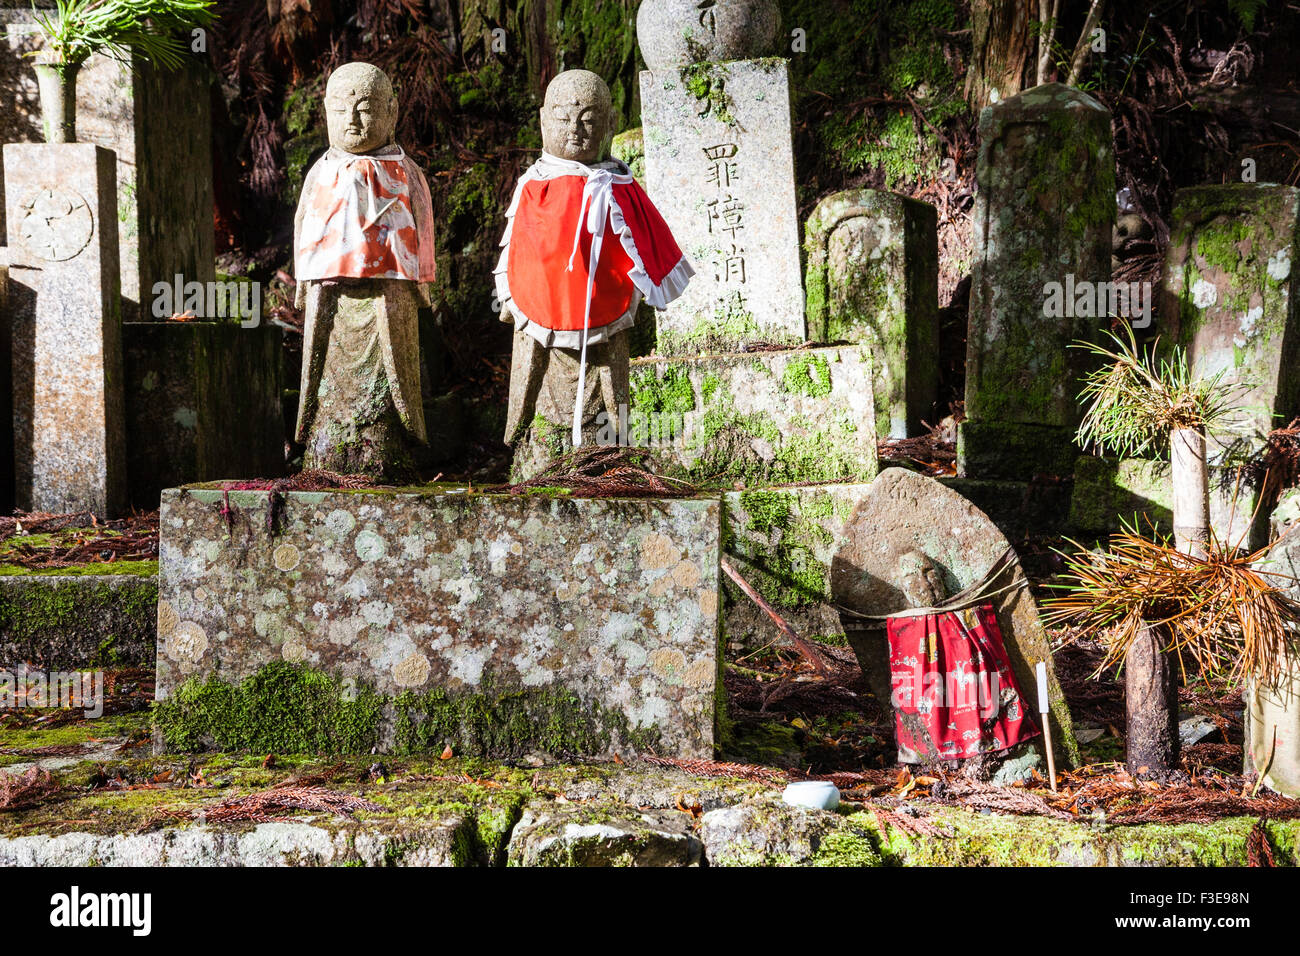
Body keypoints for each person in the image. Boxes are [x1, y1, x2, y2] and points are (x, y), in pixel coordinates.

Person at [495, 69, 692, 461]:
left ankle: (605, 453)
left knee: (607, 392)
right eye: (564, 119)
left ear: (611, 123)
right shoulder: (534, 184)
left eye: (588, 120)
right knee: (545, 394)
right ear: (542, 119)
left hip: (606, 304)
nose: (575, 131)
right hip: (543, 307)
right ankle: (542, 453)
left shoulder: (617, 184)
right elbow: (523, 252)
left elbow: (646, 238)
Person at [293, 61, 435, 480]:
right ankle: (326, 451)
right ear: (325, 110)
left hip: (388, 295)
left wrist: (422, 282)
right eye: (342, 108)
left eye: (367, 108)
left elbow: (423, 227)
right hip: (331, 294)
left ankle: (388, 451)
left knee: (393, 369)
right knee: (327, 373)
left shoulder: (406, 172)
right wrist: (305, 283)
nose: (353, 120)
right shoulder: (321, 171)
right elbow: (303, 224)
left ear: (391, 112)